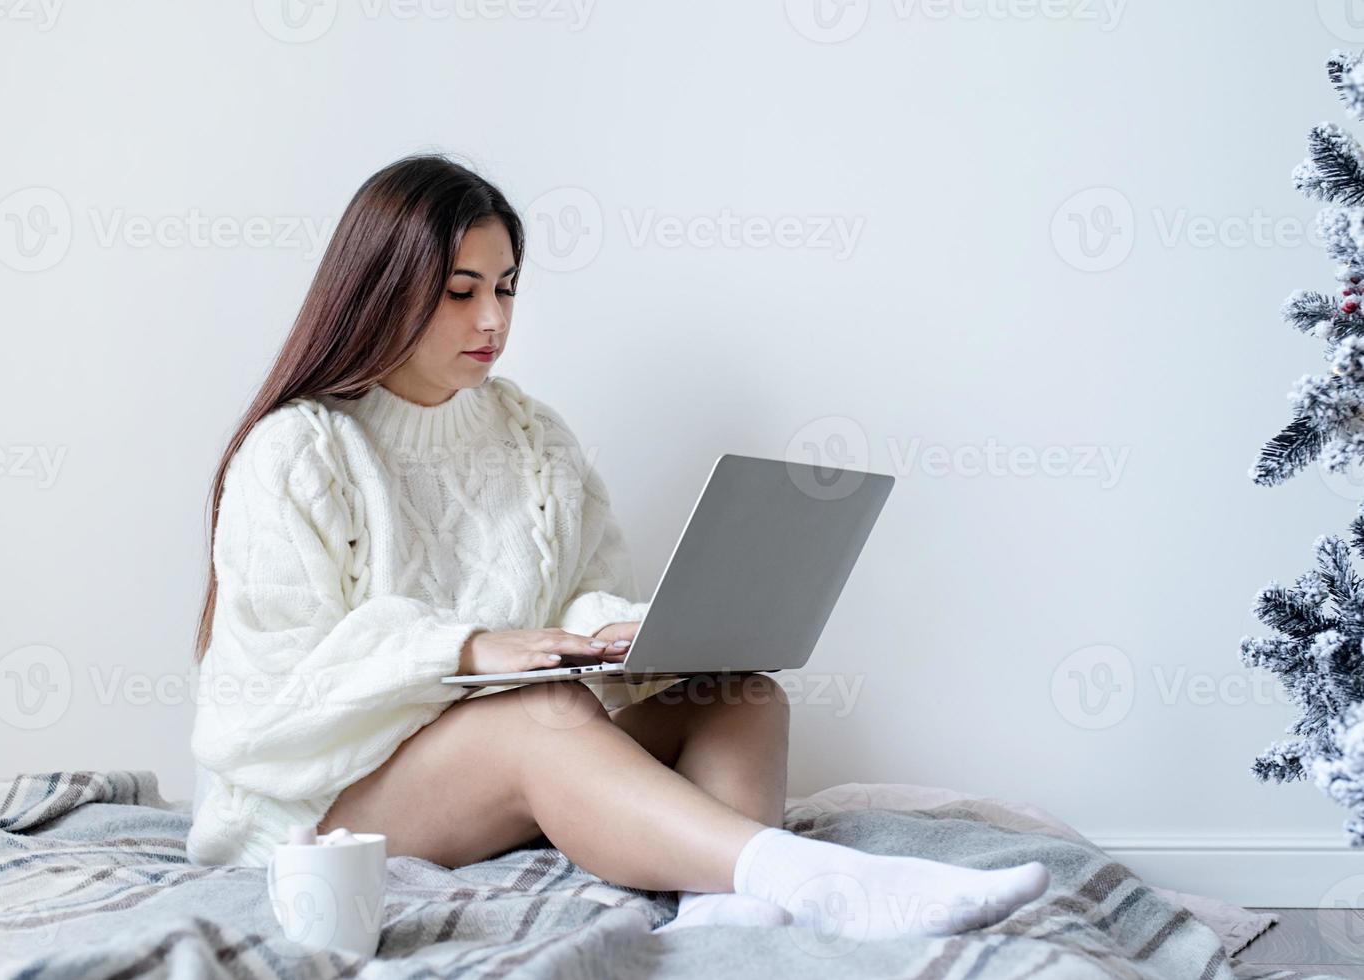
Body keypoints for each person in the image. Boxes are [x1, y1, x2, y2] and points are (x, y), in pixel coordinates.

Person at [186, 153, 1049, 939]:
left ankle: (727, 914)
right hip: (332, 807)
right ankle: (813, 879)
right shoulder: (298, 450)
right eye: (460, 291)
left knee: (740, 694)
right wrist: (466, 649)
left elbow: (581, 594)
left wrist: (625, 635)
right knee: (534, 716)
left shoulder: (533, 435)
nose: (492, 317)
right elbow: (264, 702)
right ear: (380, 289)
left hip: (521, 762)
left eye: (508, 286)